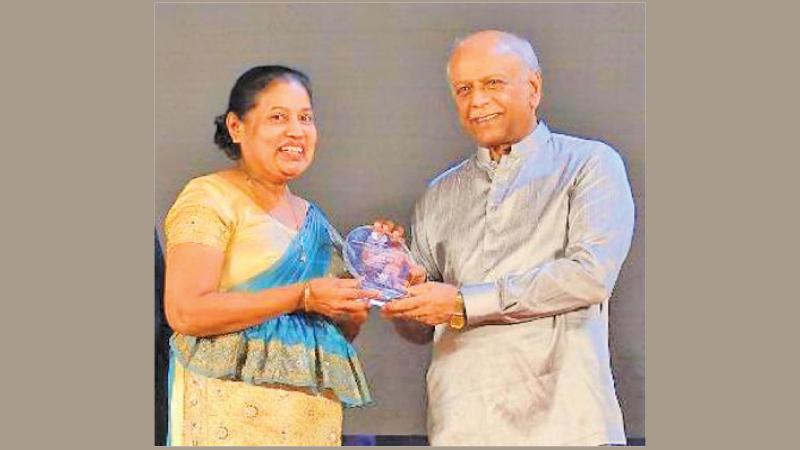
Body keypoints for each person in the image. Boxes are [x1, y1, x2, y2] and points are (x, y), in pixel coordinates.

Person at [380, 30, 636, 446]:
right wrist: (402, 290)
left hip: (566, 423)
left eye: (492, 83)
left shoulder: (589, 164)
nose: (476, 100)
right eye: (463, 89)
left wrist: (463, 302)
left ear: (533, 88)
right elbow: (419, 331)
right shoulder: (439, 193)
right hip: (460, 423)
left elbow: (590, 276)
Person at [162, 65, 385, 446]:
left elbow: (340, 330)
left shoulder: (317, 222)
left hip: (308, 423)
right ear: (236, 127)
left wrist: (369, 281)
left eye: (306, 118)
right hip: (227, 417)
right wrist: (303, 296)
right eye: (277, 117)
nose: (296, 131)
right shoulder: (210, 198)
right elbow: (185, 312)